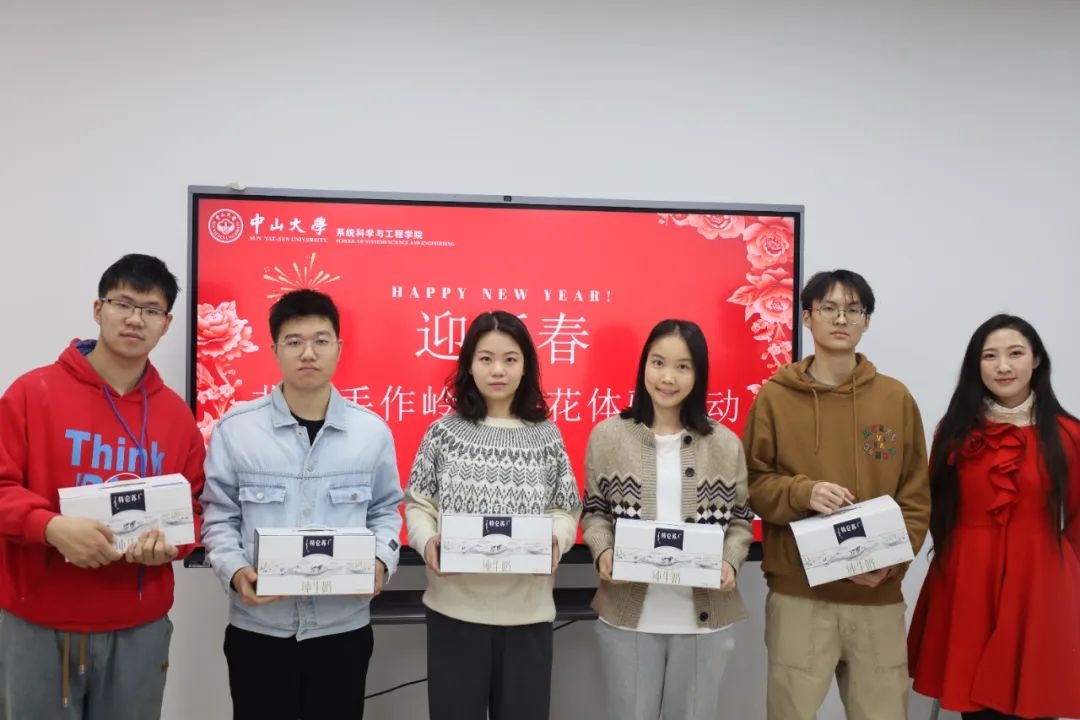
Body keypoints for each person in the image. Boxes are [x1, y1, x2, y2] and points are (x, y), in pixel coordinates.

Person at [0, 253, 206, 719]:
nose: (135, 319)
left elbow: (194, 510)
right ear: (98, 309)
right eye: (123, 304)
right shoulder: (32, 393)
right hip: (38, 621)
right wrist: (50, 527)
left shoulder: (177, 417)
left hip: (139, 626)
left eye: (150, 310)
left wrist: (170, 545)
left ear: (166, 323)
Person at [200, 289, 403, 720]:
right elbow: (219, 515)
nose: (308, 353)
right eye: (294, 341)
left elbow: (386, 510)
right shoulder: (237, 430)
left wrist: (380, 561)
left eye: (320, 340)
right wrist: (235, 571)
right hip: (259, 631)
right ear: (274, 349)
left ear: (339, 348)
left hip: (342, 630)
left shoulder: (371, 432)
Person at [742, 268, 930, 720]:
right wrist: (802, 492)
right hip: (800, 597)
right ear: (808, 317)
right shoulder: (774, 398)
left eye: (853, 309)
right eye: (829, 308)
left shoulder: (895, 399)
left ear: (867, 321)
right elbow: (752, 483)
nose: (841, 318)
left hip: (877, 599)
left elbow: (916, 496)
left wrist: (890, 564)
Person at [405, 310, 582, 720]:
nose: (498, 370)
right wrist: (427, 541)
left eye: (510, 359)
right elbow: (419, 505)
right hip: (454, 612)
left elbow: (565, 507)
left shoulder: (546, 436)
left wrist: (556, 541)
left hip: (528, 615)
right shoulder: (443, 433)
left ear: (526, 366)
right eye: (486, 358)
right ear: (469, 365)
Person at [908, 314, 1080, 720]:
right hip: (968, 581)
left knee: (1035, 702)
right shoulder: (953, 431)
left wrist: (1060, 571)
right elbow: (936, 507)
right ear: (976, 365)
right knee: (975, 706)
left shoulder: (1068, 434)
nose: (1003, 366)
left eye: (1015, 353)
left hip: (1039, 585)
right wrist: (958, 557)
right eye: (990, 356)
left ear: (1036, 359)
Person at [582, 319, 753, 720]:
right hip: (628, 618)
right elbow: (594, 511)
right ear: (644, 365)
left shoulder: (724, 443)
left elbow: (741, 520)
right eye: (658, 363)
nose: (668, 378)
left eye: (682, 366)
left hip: (703, 622)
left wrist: (730, 561)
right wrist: (603, 551)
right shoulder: (608, 437)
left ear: (698, 374)